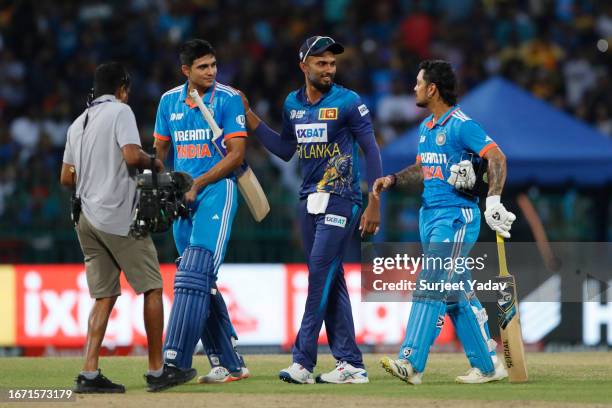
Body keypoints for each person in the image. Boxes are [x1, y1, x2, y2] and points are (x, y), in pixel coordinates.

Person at [240, 35, 383, 384]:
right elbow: (286, 148)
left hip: (341, 198)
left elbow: (372, 150)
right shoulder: (292, 103)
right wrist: (251, 119)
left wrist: (374, 202)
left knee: (319, 276)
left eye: (332, 63)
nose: (329, 69)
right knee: (332, 281)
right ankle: (351, 364)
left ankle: (302, 362)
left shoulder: (349, 102)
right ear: (303, 65)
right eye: (321, 63)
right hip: (309, 201)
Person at [373, 60, 515, 384]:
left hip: (456, 217)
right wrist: (393, 179)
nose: (414, 88)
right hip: (430, 216)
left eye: (418, 82)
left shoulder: (462, 125)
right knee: (454, 293)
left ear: (432, 88)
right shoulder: (426, 128)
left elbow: (497, 156)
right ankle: (487, 365)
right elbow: (423, 169)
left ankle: (411, 363)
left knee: (431, 281)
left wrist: (492, 199)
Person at [61, 62, 188, 393]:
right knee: (152, 287)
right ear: (122, 88)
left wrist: (95, 173)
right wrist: (153, 161)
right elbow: (132, 156)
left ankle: (89, 373)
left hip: (84, 218)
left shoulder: (78, 123)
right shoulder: (121, 112)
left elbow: (66, 178)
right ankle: (158, 370)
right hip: (116, 216)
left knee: (103, 296)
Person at [153, 39, 249, 385]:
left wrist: (197, 184)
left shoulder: (228, 98)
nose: (211, 72)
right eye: (202, 67)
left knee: (195, 274)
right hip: (183, 198)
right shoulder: (168, 101)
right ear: (186, 71)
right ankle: (229, 363)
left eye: (213, 65)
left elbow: (236, 155)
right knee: (198, 280)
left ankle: (175, 358)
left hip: (216, 192)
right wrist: (161, 184)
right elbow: (159, 150)